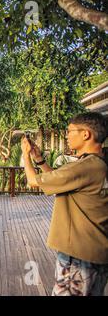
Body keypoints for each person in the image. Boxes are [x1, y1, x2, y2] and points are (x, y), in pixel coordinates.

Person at [21, 112, 108, 296]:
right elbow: (59, 180)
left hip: (79, 257)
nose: (67, 135)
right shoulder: (98, 164)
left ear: (86, 134)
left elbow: (33, 181)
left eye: (70, 131)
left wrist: (26, 156)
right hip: (95, 252)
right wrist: (39, 159)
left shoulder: (85, 166)